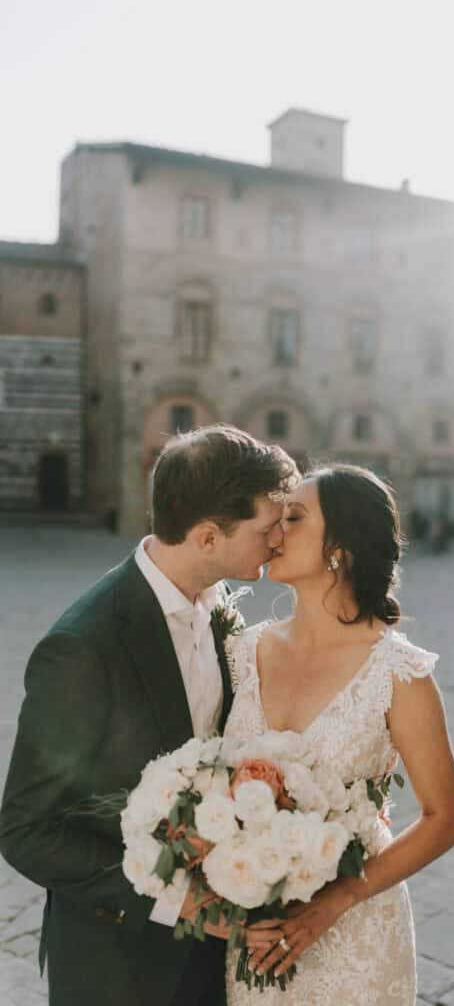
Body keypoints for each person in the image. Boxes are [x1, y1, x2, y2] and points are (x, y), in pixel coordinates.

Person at [0, 424, 299, 1006]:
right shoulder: (86, 646)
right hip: (119, 964)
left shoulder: (220, 612)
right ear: (209, 536)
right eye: (267, 528)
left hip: (215, 962)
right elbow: (25, 830)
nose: (278, 541)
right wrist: (182, 902)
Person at [222, 464, 454, 1004]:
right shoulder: (243, 651)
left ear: (342, 548)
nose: (274, 531)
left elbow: (445, 819)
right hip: (257, 931)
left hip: (355, 936)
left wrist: (336, 901)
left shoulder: (399, 674)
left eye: (294, 518)